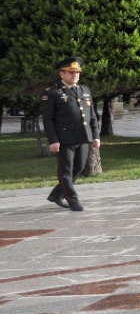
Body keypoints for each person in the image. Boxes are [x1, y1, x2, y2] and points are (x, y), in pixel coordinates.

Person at [44, 56, 99, 212]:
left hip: (83, 137)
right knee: (66, 171)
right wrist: (53, 140)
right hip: (64, 139)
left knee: (79, 168)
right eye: (71, 72)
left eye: (77, 72)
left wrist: (95, 136)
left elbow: (92, 116)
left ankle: (56, 194)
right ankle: (73, 200)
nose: (75, 75)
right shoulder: (53, 93)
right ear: (62, 74)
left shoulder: (84, 90)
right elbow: (48, 119)